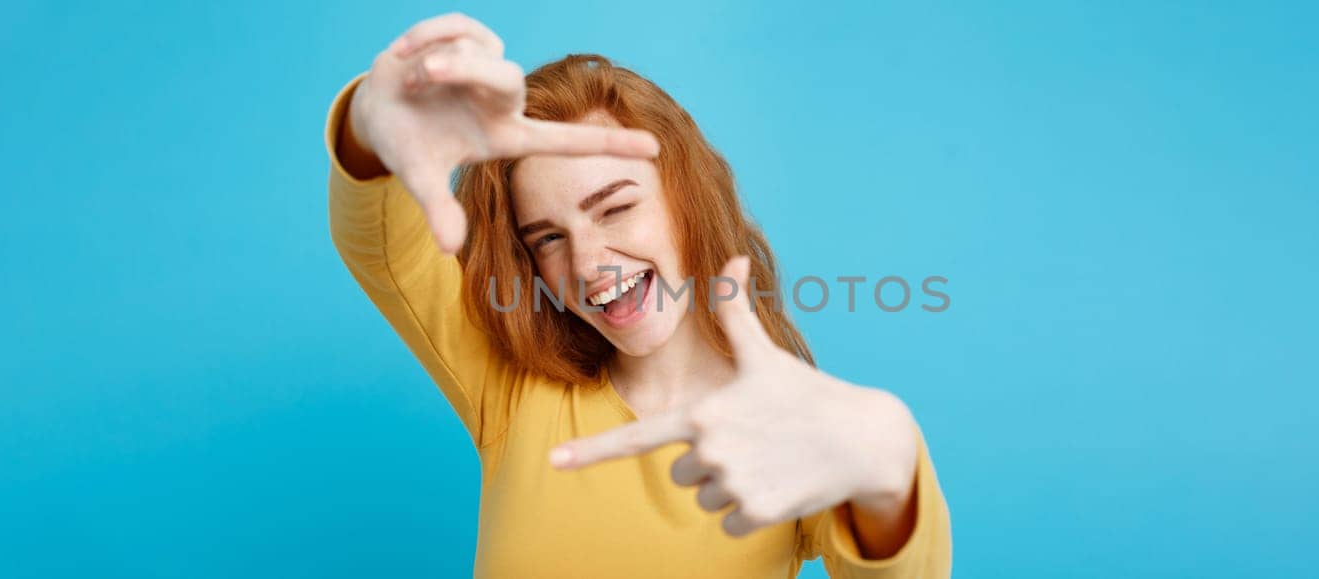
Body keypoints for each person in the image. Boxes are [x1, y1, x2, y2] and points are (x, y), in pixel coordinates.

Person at [325, 12, 951, 578]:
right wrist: (372, 127)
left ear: (686, 197)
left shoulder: (778, 423)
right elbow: (384, 251)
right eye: (547, 238)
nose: (589, 263)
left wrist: (890, 474)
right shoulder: (511, 390)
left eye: (616, 207)